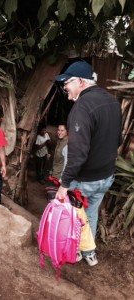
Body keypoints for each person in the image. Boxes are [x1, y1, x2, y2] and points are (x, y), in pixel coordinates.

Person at [55, 60, 122, 266]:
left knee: (75, 217)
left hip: (84, 180)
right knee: (90, 214)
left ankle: (74, 251)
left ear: (80, 82)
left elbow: (77, 153)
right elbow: (118, 140)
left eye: (67, 87)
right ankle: (90, 252)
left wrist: (64, 185)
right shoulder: (112, 101)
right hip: (106, 176)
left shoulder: (82, 107)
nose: (67, 93)